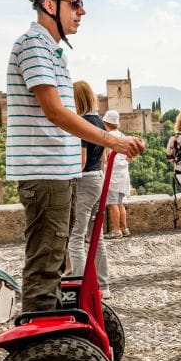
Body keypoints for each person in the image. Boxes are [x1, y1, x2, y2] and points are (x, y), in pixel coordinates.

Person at [7, 0, 144, 313]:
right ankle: (41, 337)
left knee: (57, 259)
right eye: (74, 3)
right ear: (49, 5)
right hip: (45, 172)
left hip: (60, 173)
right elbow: (55, 112)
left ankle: (53, 327)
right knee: (45, 262)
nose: (82, 11)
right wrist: (112, 141)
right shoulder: (34, 45)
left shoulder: (53, 51)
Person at [66, 81, 111, 299]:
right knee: (96, 237)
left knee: (75, 237)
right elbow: (104, 158)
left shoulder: (81, 123)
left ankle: (80, 289)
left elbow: (81, 160)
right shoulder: (100, 122)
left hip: (84, 180)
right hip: (98, 179)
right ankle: (103, 286)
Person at [102, 110, 132, 239]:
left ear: (105, 122)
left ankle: (116, 230)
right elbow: (130, 158)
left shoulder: (107, 137)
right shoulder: (123, 137)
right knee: (120, 203)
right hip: (123, 174)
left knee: (112, 203)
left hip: (112, 175)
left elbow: (104, 158)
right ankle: (125, 229)